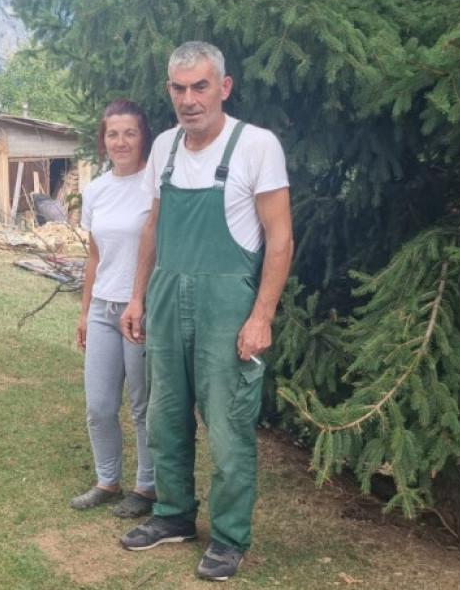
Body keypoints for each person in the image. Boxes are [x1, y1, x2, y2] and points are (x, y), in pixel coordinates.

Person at [118, 41, 293, 582]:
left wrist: (261, 316)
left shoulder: (256, 146)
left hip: (228, 307)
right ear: (169, 90)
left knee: (228, 427)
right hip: (167, 298)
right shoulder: (166, 147)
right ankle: (172, 515)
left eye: (200, 86)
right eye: (179, 88)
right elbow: (152, 227)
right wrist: (138, 295)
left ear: (224, 86)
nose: (189, 99)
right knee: (165, 415)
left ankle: (229, 536)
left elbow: (280, 238)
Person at [69, 98, 157, 519]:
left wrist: (141, 301)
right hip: (103, 308)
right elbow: (93, 255)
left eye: (130, 133)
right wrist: (86, 312)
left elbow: (158, 248)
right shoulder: (97, 190)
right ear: (103, 141)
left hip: (141, 310)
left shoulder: (154, 186)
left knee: (142, 405)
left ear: (143, 137)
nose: (121, 142)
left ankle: (146, 487)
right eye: (112, 134)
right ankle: (107, 480)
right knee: (99, 404)